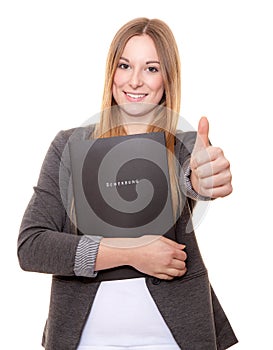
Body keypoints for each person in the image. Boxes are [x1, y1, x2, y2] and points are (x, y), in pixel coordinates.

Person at [17, 17, 238, 350]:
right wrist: (131, 254)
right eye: (125, 65)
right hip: (84, 340)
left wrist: (205, 178)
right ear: (112, 73)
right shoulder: (68, 146)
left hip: (172, 339)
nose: (135, 81)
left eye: (151, 68)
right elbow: (32, 247)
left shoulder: (184, 146)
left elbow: (194, 177)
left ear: (167, 79)